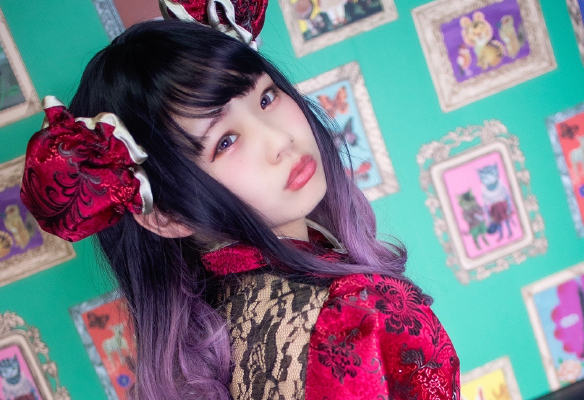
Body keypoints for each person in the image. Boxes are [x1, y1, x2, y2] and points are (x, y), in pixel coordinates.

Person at [20, 3, 460, 399]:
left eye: (266, 98)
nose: (279, 139)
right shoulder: (362, 315)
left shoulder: (214, 339)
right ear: (166, 216)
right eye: (225, 141)